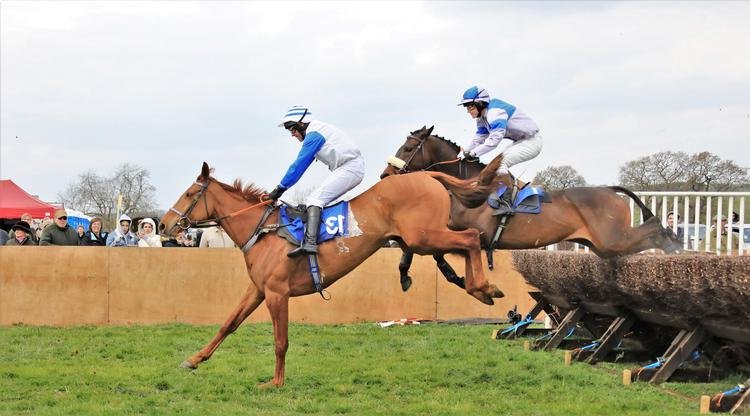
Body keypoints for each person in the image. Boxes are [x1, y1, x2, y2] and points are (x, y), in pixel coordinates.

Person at [267, 105, 365, 257]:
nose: (292, 134)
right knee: (312, 199)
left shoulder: (314, 135)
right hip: (347, 167)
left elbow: (299, 165)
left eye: (292, 129)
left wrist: (279, 189)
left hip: (350, 168)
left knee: (314, 199)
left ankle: (310, 244)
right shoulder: (315, 132)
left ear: (302, 123)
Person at [457, 86, 542, 211]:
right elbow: (479, 138)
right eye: (467, 107)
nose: (468, 110)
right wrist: (465, 152)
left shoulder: (495, 112)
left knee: (500, 165)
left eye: (470, 106)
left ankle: (507, 203)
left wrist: (473, 153)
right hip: (520, 141)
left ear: (480, 104)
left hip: (532, 142)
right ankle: (513, 193)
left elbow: (494, 141)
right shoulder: (482, 117)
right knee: (495, 165)